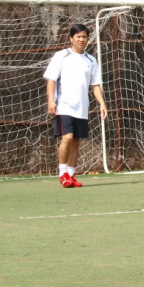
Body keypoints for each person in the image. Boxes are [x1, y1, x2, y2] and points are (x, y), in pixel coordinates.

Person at [44, 24, 108, 188]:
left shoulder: (91, 60)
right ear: (71, 38)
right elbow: (51, 80)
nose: (81, 39)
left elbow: (95, 85)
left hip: (82, 108)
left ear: (87, 39)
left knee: (76, 141)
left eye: (84, 36)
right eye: (78, 36)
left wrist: (102, 103)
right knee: (67, 137)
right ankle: (62, 173)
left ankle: (71, 174)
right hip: (64, 106)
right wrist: (51, 101)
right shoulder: (61, 56)